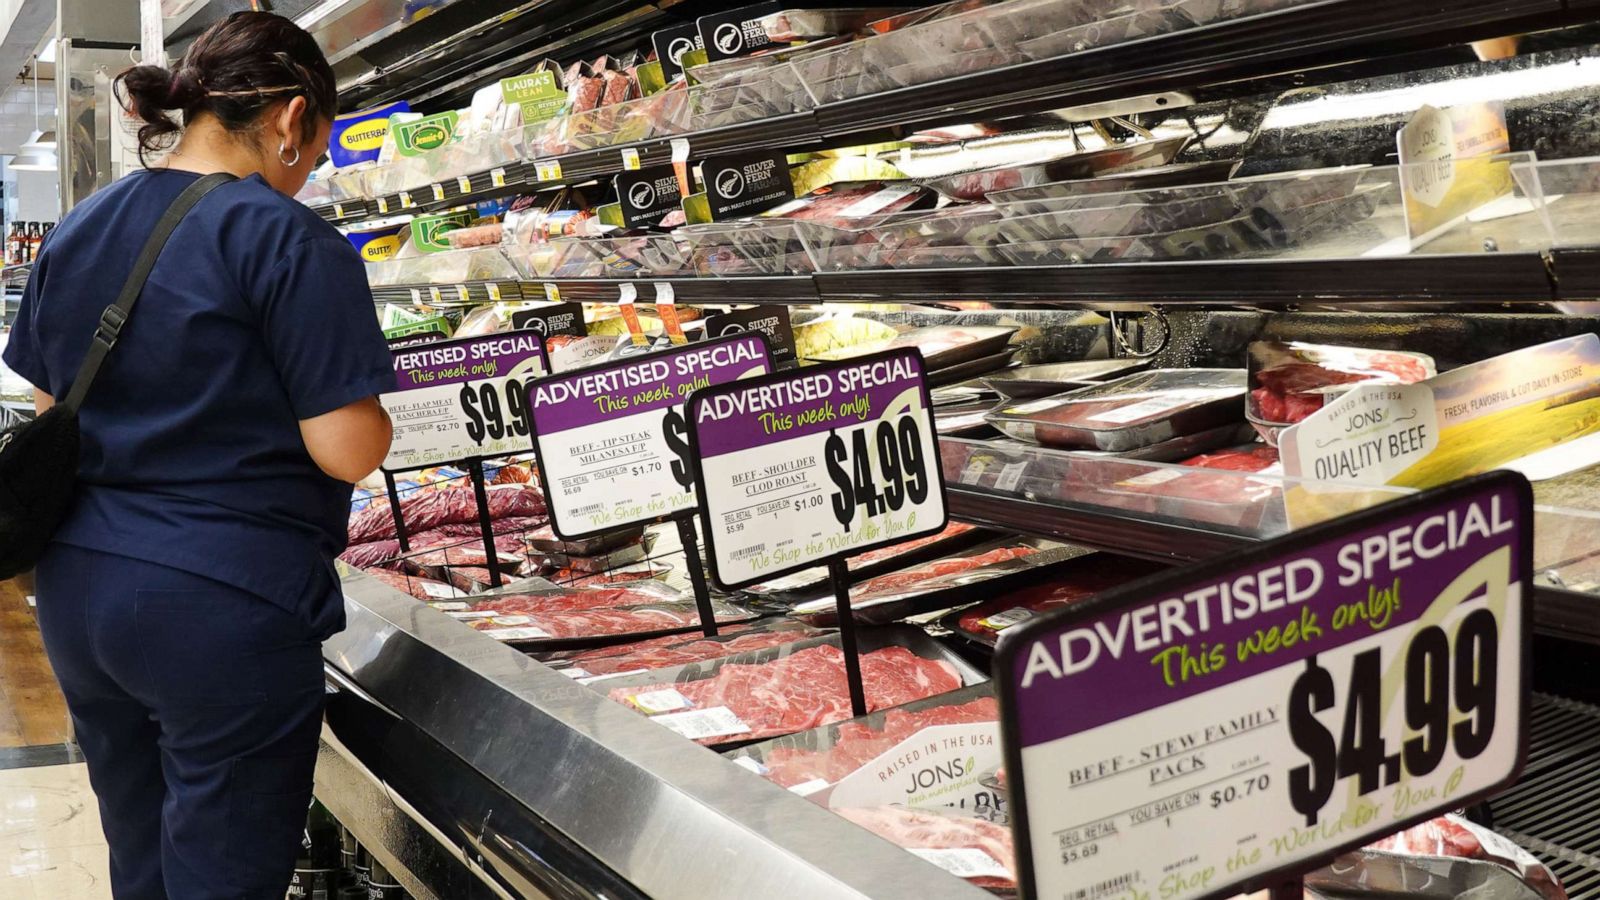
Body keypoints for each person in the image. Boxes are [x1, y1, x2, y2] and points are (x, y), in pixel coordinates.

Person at [2, 11, 393, 899]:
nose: (318, 164)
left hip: (78, 589)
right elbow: (345, 452)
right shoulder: (291, 243)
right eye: (322, 141)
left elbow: (47, 408)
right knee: (223, 872)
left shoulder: (83, 224)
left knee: (139, 851)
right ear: (293, 118)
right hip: (220, 606)